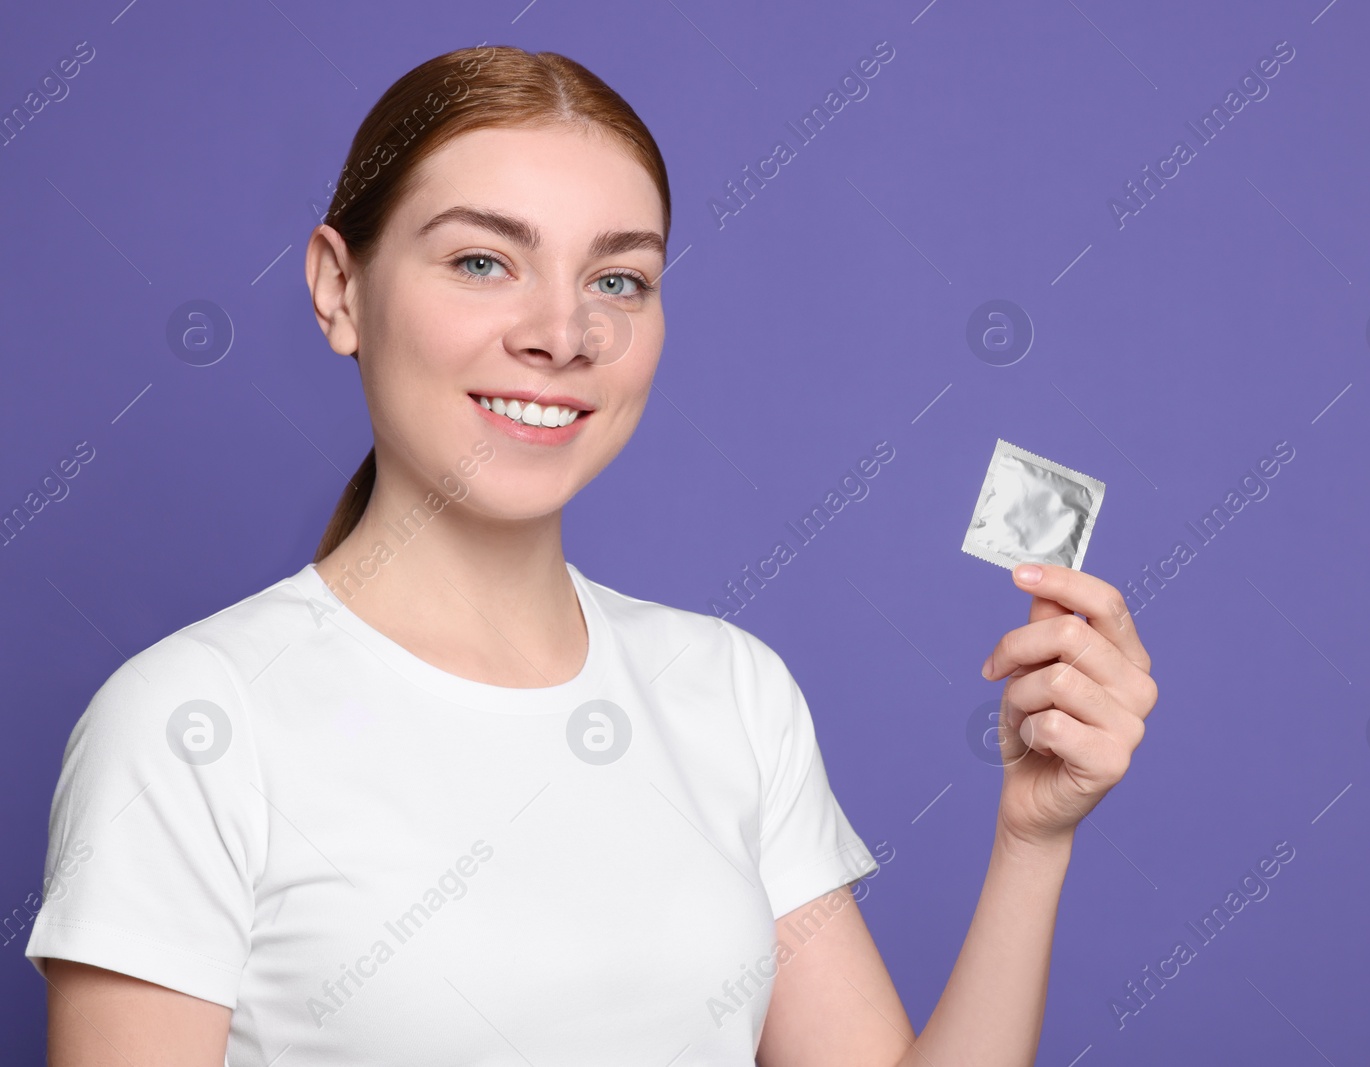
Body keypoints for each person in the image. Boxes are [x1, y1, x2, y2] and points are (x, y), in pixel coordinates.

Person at [26, 44, 1158, 1066]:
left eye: (617, 278)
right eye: (481, 261)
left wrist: (1031, 838)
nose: (561, 334)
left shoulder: (729, 690)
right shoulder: (189, 723)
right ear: (338, 288)